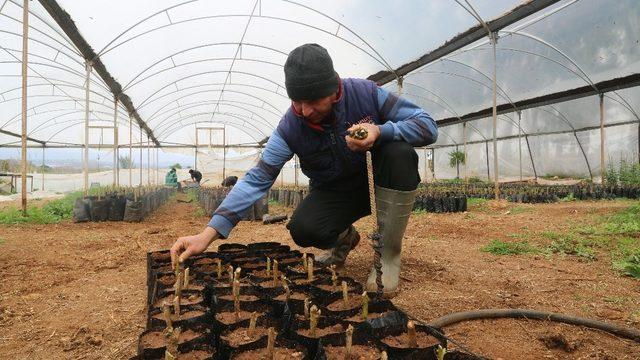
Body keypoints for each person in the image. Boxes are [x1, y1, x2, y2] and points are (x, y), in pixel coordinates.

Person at [171, 43, 438, 295]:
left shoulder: (367, 95)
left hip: (379, 184)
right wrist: (207, 235)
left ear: (335, 90)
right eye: (297, 101)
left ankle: (388, 258)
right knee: (303, 229)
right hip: (336, 192)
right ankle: (344, 239)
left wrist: (381, 131)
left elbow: (427, 125)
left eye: (312, 101)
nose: (305, 110)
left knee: (399, 151)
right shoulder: (291, 127)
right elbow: (257, 180)